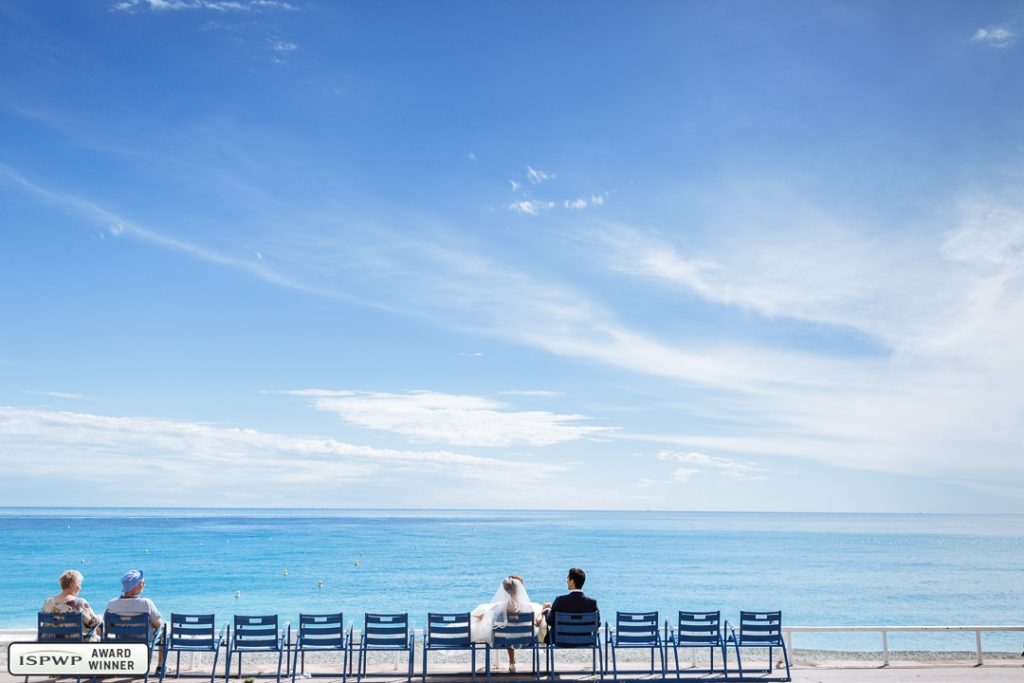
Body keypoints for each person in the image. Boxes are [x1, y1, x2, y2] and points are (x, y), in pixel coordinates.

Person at [470, 575, 543, 672]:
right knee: (517, 631)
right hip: (526, 638)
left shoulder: (502, 607)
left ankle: (512, 662)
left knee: (507, 632)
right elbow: (535, 623)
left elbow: (491, 618)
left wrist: (480, 617)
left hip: (504, 638)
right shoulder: (528, 607)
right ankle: (514, 663)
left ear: (507, 590)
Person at [106, 570, 164, 670]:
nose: (144, 584)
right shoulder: (146, 603)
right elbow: (157, 624)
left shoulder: (112, 604)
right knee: (164, 633)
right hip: (143, 641)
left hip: (121, 640)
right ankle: (160, 666)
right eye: (142, 582)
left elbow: (109, 625)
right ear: (135, 587)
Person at [41, 569, 102, 641]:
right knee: (100, 625)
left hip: (51, 641)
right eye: (79, 584)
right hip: (74, 641)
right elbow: (92, 622)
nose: (80, 588)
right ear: (73, 585)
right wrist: (100, 618)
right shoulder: (80, 603)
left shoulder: (48, 601)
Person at [544, 567, 599, 645]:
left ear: (572, 582)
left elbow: (550, 621)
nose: (567, 581)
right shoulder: (592, 603)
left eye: (568, 579)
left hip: (562, 641)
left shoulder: (559, 600)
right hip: (585, 641)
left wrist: (546, 611)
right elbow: (597, 624)